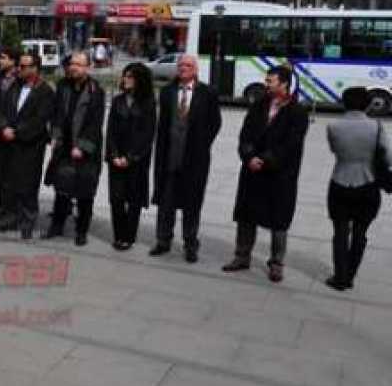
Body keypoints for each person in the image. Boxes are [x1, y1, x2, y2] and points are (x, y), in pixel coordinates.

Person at [222, 66, 309, 283]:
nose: (266, 84)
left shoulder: (297, 111)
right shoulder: (259, 104)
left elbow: (291, 144)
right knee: (246, 216)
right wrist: (249, 156)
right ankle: (242, 256)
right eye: (267, 80)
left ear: (284, 84)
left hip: (279, 175)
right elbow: (245, 134)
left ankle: (276, 263)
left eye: (270, 81)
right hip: (252, 171)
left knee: (279, 220)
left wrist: (266, 160)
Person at [151, 54, 222, 263]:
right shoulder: (167, 92)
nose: (183, 68)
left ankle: (190, 244)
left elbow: (215, 123)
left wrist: (201, 144)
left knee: (192, 204)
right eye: (181, 65)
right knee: (166, 203)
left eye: (188, 65)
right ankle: (163, 241)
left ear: (195, 69)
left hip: (195, 160)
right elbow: (163, 125)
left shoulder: (208, 93)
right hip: (169, 157)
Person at [324, 87, 389, 291]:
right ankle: (350, 275)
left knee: (340, 232)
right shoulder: (377, 127)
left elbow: (335, 150)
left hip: (340, 182)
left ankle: (339, 277)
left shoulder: (333, 126)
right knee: (360, 233)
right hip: (368, 185)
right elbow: (388, 158)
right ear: (367, 104)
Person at [43, 51, 106, 245]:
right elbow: (57, 113)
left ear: (88, 67)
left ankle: (81, 231)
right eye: (72, 64)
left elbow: (95, 123)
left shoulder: (96, 91)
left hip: (86, 150)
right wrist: (54, 134)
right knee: (61, 189)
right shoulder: (63, 86)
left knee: (85, 193)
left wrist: (82, 146)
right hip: (64, 146)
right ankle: (57, 225)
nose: (73, 67)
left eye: (79, 64)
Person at [0, 52, 55, 240]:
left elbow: (40, 120)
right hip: (9, 142)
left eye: (24, 66)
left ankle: (27, 221)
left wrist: (17, 132)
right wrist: (3, 127)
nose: (20, 69)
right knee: (9, 182)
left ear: (35, 68)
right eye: (19, 65)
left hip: (30, 145)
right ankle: (11, 218)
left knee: (27, 184)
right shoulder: (14, 86)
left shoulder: (45, 91)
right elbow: (1, 109)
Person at [105, 63, 156, 251]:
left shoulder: (148, 103)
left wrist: (130, 157)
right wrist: (114, 155)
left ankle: (129, 236)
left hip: (136, 161)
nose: (125, 79)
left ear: (140, 80)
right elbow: (110, 131)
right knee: (116, 199)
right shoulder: (118, 101)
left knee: (133, 201)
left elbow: (147, 135)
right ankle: (118, 235)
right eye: (125, 75)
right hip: (116, 159)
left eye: (130, 76)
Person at [0, 47, 20, 209]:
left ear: (13, 61)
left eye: (4, 58)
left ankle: (9, 201)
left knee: (10, 167)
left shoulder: (19, 80)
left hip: (12, 128)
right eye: (0, 58)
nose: (0, 61)